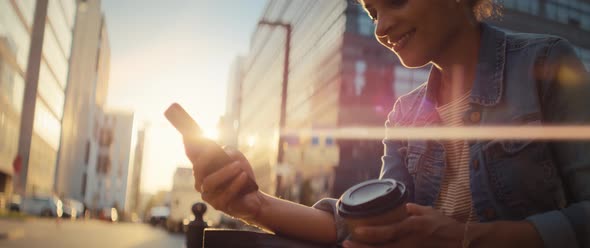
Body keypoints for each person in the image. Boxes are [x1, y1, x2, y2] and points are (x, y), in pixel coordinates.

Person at [183, 0, 590, 247]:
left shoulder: (547, 63)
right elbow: (363, 226)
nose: (380, 27)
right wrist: (253, 204)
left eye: (395, 1)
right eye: (373, 11)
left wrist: (466, 240)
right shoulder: (404, 115)